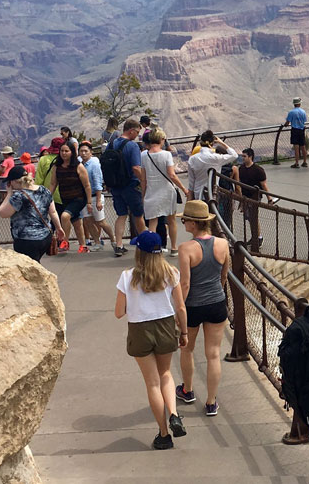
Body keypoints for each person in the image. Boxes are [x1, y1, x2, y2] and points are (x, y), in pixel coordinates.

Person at [114, 230, 189, 450]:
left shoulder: (128, 277)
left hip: (139, 330)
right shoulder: (171, 273)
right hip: (165, 326)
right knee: (166, 374)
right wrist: (183, 333)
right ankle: (174, 414)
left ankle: (164, 434)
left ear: (140, 253)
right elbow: (181, 307)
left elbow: (119, 312)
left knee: (152, 382)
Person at [174, 201, 230, 417]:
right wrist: (218, 293)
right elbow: (224, 274)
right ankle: (211, 402)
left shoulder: (186, 249)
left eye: (184, 219)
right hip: (216, 303)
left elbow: (185, 284)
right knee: (213, 354)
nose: (183, 223)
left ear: (194, 224)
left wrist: (179, 310)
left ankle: (187, 390)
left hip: (193, 306)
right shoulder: (223, 244)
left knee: (187, 349)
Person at [0, 165, 65, 262]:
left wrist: (9, 194)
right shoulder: (44, 190)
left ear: (15, 181)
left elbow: (2, 213)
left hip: (26, 239)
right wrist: (59, 228)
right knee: (36, 264)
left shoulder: (19, 196)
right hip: (45, 236)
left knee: (29, 268)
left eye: (10, 182)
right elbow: (53, 212)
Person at [142, 129, 187, 256]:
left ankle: (152, 248)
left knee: (152, 221)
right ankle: (173, 247)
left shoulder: (144, 155)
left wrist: (143, 195)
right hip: (167, 190)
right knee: (171, 220)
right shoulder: (166, 155)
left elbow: (143, 179)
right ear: (161, 139)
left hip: (151, 191)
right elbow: (172, 175)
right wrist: (184, 189)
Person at [107, 118, 146, 257]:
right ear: (131, 130)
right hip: (131, 186)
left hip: (115, 186)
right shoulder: (132, 146)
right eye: (137, 132)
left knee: (121, 215)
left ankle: (119, 245)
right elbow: (136, 167)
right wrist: (143, 182)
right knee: (138, 215)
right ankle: (144, 244)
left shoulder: (111, 144)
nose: (137, 135)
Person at [48, 142, 94, 253]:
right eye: (62, 151)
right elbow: (53, 184)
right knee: (77, 222)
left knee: (64, 216)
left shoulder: (78, 166)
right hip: (65, 198)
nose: (64, 153)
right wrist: (47, 197)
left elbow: (87, 185)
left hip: (79, 198)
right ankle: (83, 246)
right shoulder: (56, 167)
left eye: (66, 151)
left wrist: (89, 202)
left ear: (72, 153)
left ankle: (65, 241)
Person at [78, 142, 117, 252]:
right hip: (84, 197)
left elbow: (98, 182)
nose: (84, 153)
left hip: (96, 196)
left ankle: (113, 239)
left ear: (91, 152)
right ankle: (97, 242)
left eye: (86, 151)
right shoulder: (80, 164)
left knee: (100, 221)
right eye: (81, 151)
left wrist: (99, 200)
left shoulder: (94, 164)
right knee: (88, 220)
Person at [187, 132, 238, 201]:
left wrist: (189, 200)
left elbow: (191, 183)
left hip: (198, 195)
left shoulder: (192, 159)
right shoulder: (216, 158)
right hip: (213, 196)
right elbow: (234, 155)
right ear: (212, 143)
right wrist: (221, 143)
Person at [287, 97, 309, 168]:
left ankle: (296, 163)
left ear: (294, 104)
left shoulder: (291, 112)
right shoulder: (303, 112)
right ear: (299, 104)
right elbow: (304, 120)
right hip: (302, 130)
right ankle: (305, 162)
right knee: (303, 146)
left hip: (295, 130)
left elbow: (288, 122)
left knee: (296, 147)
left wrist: (285, 125)